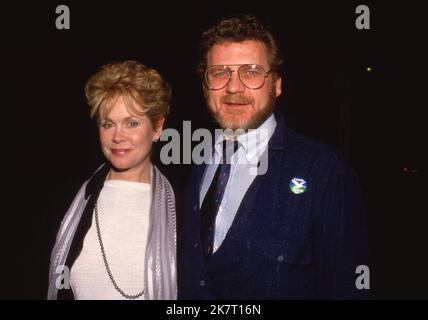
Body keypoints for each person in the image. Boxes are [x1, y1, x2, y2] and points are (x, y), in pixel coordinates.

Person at [179, 15, 370, 299]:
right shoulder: (196, 161)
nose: (234, 87)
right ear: (205, 85)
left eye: (252, 72)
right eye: (219, 73)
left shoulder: (325, 171)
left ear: (276, 85)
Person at [47, 60, 176, 300]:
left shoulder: (182, 207)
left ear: (157, 127)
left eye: (131, 123)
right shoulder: (73, 200)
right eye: (108, 124)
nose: (118, 136)